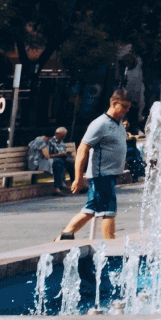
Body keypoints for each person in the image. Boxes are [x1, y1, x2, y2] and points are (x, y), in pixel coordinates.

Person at [59, 89, 132, 240]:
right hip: (101, 174)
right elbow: (82, 150)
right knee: (108, 211)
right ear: (114, 104)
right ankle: (110, 248)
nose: (126, 110)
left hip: (109, 175)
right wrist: (78, 178)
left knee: (91, 209)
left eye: (128, 107)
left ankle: (64, 237)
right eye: (124, 106)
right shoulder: (100, 124)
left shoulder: (118, 123)